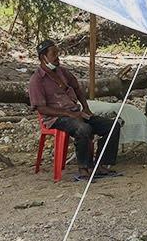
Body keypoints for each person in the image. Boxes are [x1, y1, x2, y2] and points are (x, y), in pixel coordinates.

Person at [28, 40, 121, 180]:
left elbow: (77, 87)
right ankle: (84, 168)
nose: (57, 57)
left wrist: (86, 107)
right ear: (43, 57)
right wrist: (68, 113)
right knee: (83, 129)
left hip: (76, 113)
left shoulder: (62, 71)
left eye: (57, 53)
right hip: (55, 118)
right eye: (54, 54)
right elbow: (42, 108)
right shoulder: (37, 80)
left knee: (112, 126)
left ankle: (101, 165)